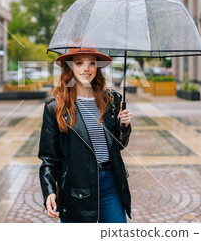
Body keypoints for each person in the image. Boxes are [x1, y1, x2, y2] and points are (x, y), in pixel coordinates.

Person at [38, 47, 133, 223]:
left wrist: (124, 126)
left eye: (92, 63)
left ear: (97, 68)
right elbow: (48, 158)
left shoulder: (112, 100)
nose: (86, 68)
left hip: (110, 184)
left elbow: (119, 146)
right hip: (76, 188)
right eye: (79, 63)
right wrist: (49, 190)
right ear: (70, 68)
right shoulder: (55, 107)